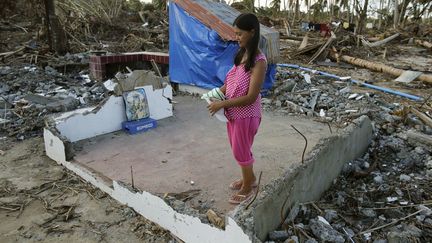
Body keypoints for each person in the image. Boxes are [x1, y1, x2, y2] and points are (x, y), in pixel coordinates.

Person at [207, 13, 267, 204]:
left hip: (247, 114)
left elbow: (250, 97)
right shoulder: (242, 55)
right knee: (239, 149)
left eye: (240, 34)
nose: (237, 37)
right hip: (233, 113)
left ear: (252, 32)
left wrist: (221, 103)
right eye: (235, 33)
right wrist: (214, 94)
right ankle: (249, 178)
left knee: (240, 151)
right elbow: (230, 83)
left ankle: (248, 186)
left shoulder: (259, 61)